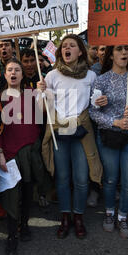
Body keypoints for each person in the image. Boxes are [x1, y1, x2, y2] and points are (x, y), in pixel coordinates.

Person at [38, 34, 103, 240]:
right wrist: (42, 93)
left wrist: (100, 102)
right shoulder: (51, 76)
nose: (67, 48)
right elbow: (42, 109)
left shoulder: (91, 76)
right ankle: (65, 217)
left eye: (72, 45)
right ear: (60, 52)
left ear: (80, 51)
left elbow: (94, 105)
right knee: (63, 178)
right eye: (64, 46)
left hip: (82, 132)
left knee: (81, 179)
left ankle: (79, 217)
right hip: (59, 133)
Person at [89, 45, 128, 239]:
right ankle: (109, 213)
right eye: (120, 49)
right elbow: (92, 112)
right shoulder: (101, 80)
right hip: (108, 137)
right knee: (111, 179)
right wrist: (115, 121)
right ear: (111, 54)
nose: (124, 53)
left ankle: (122, 216)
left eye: (127, 50)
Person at [0, 58, 49, 255]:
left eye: (17, 69)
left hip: (30, 152)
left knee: (27, 191)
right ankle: (11, 235)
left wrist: (42, 92)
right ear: (5, 74)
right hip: (9, 154)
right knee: (11, 196)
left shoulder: (31, 94)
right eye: (9, 69)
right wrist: (0, 153)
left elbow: (44, 111)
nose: (13, 72)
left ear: (22, 74)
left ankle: (24, 225)